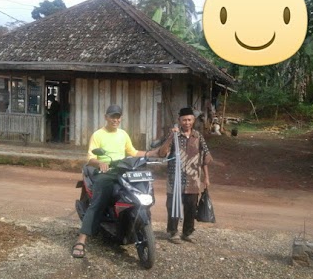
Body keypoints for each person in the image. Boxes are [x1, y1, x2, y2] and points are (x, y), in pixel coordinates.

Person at [72, 104, 158, 258]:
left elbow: (132, 152)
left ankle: (133, 224)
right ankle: (81, 240)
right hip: (105, 172)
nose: (115, 119)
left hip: (123, 170)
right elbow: (90, 157)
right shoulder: (98, 134)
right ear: (106, 117)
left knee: (138, 191)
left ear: (121, 118)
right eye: (112, 116)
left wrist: (152, 153)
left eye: (118, 116)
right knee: (98, 203)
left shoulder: (123, 134)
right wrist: (100, 163)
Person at [158, 107, 212, 244]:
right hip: (174, 179)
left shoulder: (198, 136)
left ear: (193, 120)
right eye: (184, 120)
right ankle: (173, 232)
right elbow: (162, 153)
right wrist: (171, 136)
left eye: (189, 120)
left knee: (191, 207)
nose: (187, 122)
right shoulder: (174, 135)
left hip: (193, 180)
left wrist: (206, 177)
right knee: (172, 206)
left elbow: (204, 157)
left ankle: (187, 233)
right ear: (179, 121)